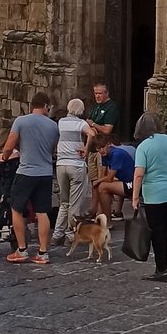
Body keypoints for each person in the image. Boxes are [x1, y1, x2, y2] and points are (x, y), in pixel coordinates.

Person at [0, 91, 59, 264]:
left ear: (32, 105)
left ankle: (22, 249)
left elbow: (9, 144)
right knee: (42, 212)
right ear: (46, 106)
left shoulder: (21, 121)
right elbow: (53, 148)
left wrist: (4, 156)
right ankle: (43, 252)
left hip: (26, 172)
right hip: (45, 173)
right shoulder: (53, 126)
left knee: (16, 209)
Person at [131, 112, 167, 283]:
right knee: (166, 231)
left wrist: (135, 197)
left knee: (157, 231)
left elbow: (139, 174)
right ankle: (162, 266)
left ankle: (162, 269)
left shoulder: (143, 147)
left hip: (154, 194)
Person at [51, 98, 95, 246]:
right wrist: (86, 149)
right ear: (81, 110)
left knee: (64, 202)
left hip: (61, 164)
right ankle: (70, 234)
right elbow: (91, 134)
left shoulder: (61, 122)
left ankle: (57, 234)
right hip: (76, 165)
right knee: (74, 203)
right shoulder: (81, 123)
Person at [93, 141, 135, 225]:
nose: (101, 150)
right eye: (99, 149)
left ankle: (107, 221)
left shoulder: (116, 154)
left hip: (132, 183)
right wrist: (98, 182)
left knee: (103, 187)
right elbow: (103, 174)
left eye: (103, 147)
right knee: (100, 186)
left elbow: (109, 178)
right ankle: (99, 214)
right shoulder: (104, 155)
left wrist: (98, 181)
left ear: (108, 145)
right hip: (124, 180)